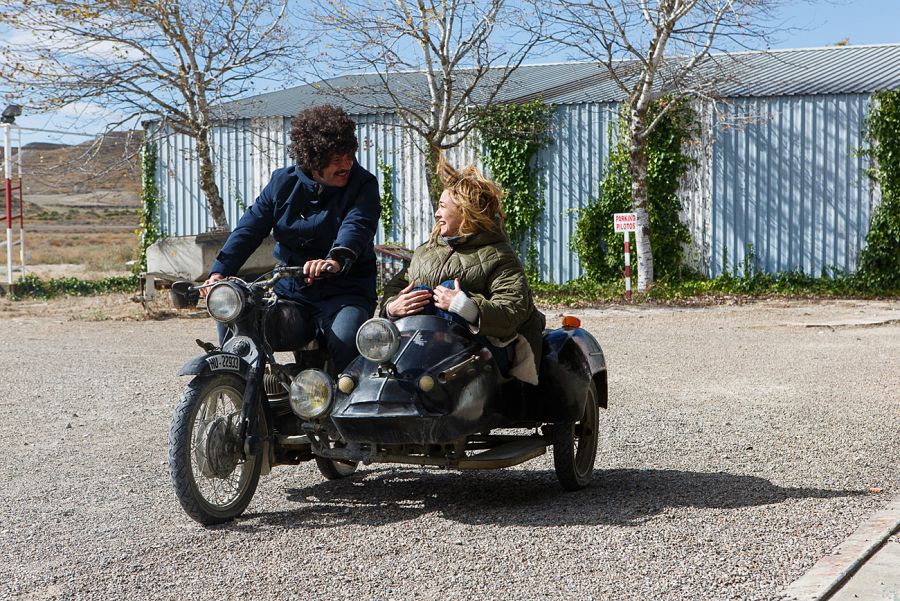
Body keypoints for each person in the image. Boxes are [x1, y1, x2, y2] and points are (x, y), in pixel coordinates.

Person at [202, 105, 380, 372]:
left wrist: (335, 259)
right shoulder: (281, 183)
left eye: (350, 156)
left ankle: (343, 407)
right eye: (337, 159)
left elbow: (357, 226)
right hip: (293, 297)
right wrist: (219, 272)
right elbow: (249, 229)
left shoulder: (363, 184)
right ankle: (242, 392)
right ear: (312, 159)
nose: (347, 165)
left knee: (347, 341)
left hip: (345, 294)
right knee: (240, 320)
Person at [380, 157, 544, 384]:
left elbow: (513, 311)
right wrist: (391, 307)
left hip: (489, 354)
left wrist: (465, 307)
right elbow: (395, 287)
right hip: (424, 354)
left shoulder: (498, 255)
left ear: (465, 212)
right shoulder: (425, 251)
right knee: (417, 291)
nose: (436, 214)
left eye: (442, 206)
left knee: (447, 289)